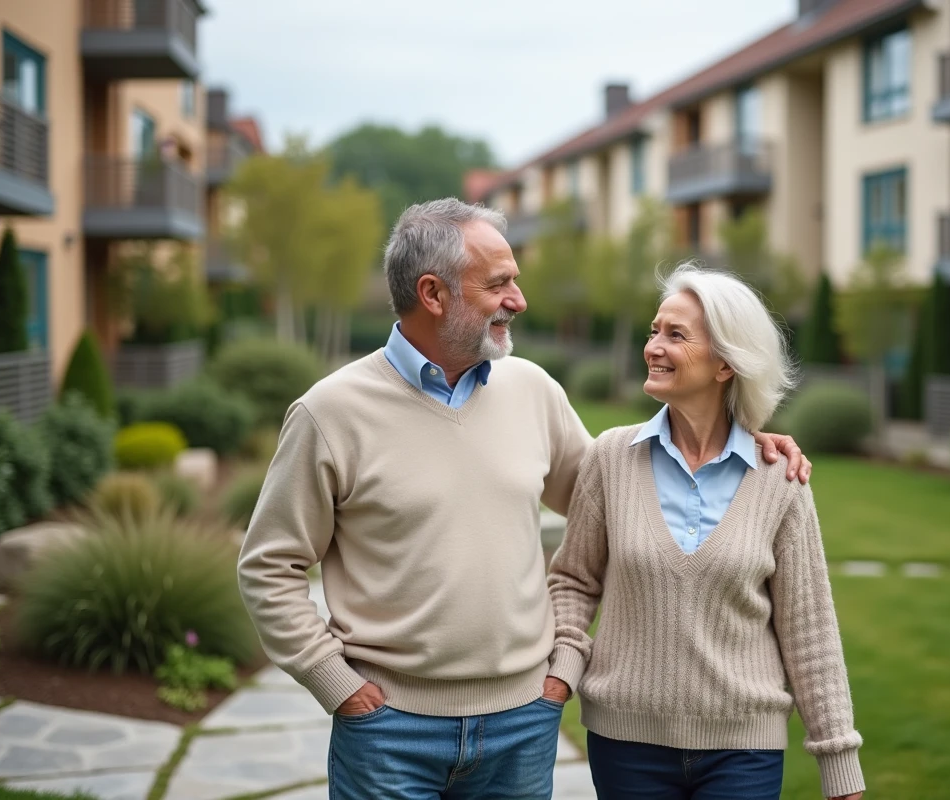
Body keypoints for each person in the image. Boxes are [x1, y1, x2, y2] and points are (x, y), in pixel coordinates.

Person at [237, 199, 812, 800]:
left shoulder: (533, 390)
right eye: (499, 283)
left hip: (522, 726)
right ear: (434, 295)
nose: (519, 299)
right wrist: (338, 686)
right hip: (388, 732)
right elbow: (268, 567)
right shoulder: (330, 413)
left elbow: (629, 489)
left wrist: (739, 440)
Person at [547, 264, 864, 800]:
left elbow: (809, 629)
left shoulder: (779, 479)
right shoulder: (610, 458)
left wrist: (839, 762)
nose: (653, 346)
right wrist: (563, 670)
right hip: (626, 743)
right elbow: (574, 581)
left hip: (745, 748)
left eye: (675, 335)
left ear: (725, 364)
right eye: (653, 331)